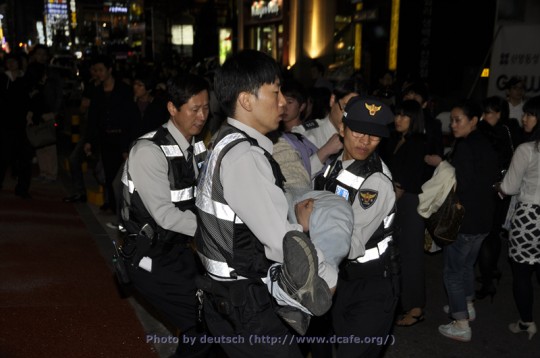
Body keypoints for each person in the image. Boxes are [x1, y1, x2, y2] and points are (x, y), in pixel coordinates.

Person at [194, 49, 331, 357]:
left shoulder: (223, 141)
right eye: (275, 91)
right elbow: (281, 243)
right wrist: (327, 277)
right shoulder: (246, 157)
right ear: (246, 100)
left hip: (225, 297)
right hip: (247, 305)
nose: (282, 102)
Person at [119, 73, 213, 357]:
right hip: (148, 258)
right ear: (173, 108)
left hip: (179, 251)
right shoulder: (149, 151)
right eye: (194, 109)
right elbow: (164, 215)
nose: (202, 116)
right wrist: (216, 229)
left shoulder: (196, 145)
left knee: (204, 324)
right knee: (201, 326)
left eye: (206, 108)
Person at [314, 96, 400, 357]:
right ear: (342, 129)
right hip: (342, 279)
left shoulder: (376, 182)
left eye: (374, 136)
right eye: (359, 132)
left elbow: (349, 242)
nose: (365, 141)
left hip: (372, 286)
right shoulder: (334, 165)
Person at [426, 99, 499, 342]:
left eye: (458, 120)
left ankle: (461, 323)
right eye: (452, 120)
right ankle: (467, 307)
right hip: (484, 220)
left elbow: (463, 186)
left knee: (453, 272)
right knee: (467, 266)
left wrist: (443, 165)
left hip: (465, 221)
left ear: (474, 121)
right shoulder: (486, 143)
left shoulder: (467, 146)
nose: (453, 125)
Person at [380, 99, 428, 327]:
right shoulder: (398, 139)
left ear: (414, 119)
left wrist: (385, 205)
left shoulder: (418, 142)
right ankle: (404, 302)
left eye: (404, 116)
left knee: (412, 257)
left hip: (409, 203)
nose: (398, 119)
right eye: (397, 114)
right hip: (400, 202)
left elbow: (408, 178)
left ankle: (416, 308)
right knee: (398, 255)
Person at [497, 95, 540, 341]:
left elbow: (510, 187)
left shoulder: (527, 149)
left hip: (529, 217)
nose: (524, 118)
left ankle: (527, 322)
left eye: (530, 114)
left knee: (522, 273)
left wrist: (499, 186)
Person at [475, 95, 521, 301]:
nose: (485, 117)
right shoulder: (488, 130)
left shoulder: (507, 130)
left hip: (499, 188)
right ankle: (490, 273)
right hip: (495, 188)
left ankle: (487, 281)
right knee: (490, 234)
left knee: (488, 235)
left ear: (500, 114)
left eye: (490, 113)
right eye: (484, 112)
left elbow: (513, 160)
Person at [84, 55, 137, 214]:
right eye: (96, 70)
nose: (98, 73)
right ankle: (112, 204)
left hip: (121, 137)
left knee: (121, 175)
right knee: (107, 172)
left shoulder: (123, 89)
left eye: (101, 70)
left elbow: (130, 117)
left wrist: (128, 142)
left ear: (109, 70)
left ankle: (122, 207)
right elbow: (93, 117)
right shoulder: (97, 91)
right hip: (105, 137)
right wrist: (89, 140)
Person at [292, 78, 359, 176]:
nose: (348, 116)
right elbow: (293, 177)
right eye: (345, 108)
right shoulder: (304, 134)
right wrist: (324, 152)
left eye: (355, 112)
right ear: (332, 100)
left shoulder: (362, 140)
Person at [0, 52, 33, 198]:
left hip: (21, 124)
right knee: (3, 157)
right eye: (9, 62)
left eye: (14, 61)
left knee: (25, 158)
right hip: (4, 124)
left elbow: (29, 98)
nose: (11, 64)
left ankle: (23, 189)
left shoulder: (24, 79)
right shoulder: (2, 79)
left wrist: (30, 112)